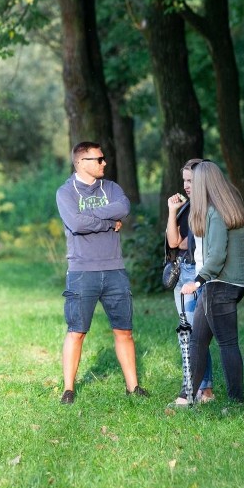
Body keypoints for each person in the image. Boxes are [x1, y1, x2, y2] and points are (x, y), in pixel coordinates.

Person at [55, 141, 147, 404]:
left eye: (103, 158)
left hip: (115, 270)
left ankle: (133, 387)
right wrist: (108, 222)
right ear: (82, 162)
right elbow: (75, 223)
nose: (104, 162)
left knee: (124, 330)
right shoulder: (65, 192)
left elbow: (124, 208)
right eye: (99, 159)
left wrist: (90, 217)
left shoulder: (112, 188)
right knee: (77, 331)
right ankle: (69, 390)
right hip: (82, 272)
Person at [170, 161, 244, 407]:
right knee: (198, 340)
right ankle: (187, 396)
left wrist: (196, 282)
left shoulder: (215, 212)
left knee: (227, 343)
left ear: (206, 182)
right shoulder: (226, 206)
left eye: (195, 181)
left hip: (220, 284)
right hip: (226, 283)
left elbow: (216, 256)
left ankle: (237, 402)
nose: (189, 185)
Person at [166, 158, 214, 402]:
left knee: (195, 332)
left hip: (196, 272)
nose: (186, 185)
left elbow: (178, 242)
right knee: (190, 330)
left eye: (191, 180)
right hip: (183, 269)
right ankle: (202, 387)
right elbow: (172, 240)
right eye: (184, 180)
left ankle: (200, 389)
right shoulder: (188, 207)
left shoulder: (206, 209)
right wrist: (173, 212)